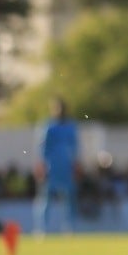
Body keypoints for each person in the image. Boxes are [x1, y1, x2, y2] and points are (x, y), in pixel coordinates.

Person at [34, 96, 79, 235]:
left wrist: (75, 164)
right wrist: (42, 165)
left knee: (69, 198)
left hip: (66, 167)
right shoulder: (47, 126)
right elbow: (42, 147)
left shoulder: (71, 126)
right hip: (51, 167)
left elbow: (75, 147)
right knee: (45, 197)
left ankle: (69, 228)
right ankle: (42, 228)